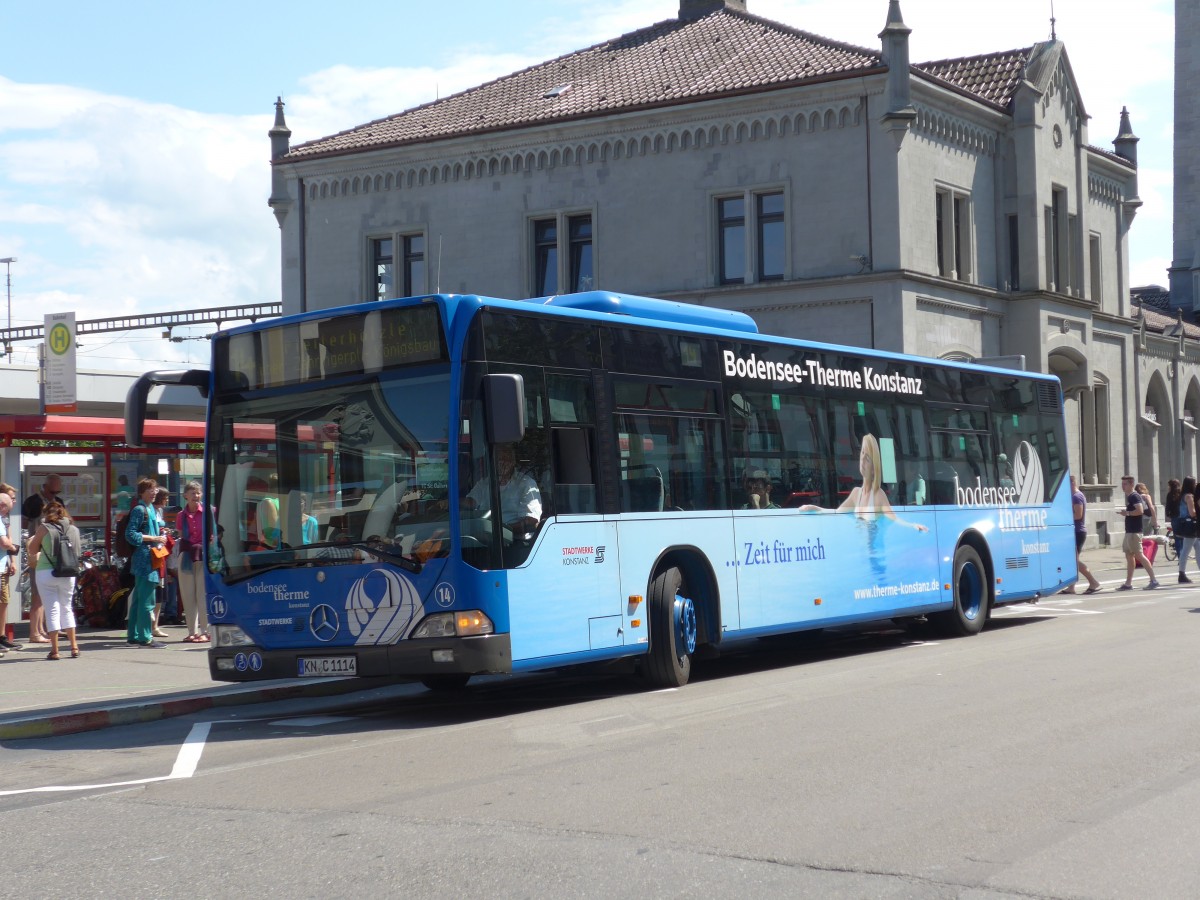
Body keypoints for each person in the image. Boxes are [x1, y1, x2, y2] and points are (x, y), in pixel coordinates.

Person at [801, 434, 927, 531]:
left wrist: (913, 526)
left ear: (873, 468)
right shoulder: (856, 493)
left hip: (875, 553)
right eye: (862, 453)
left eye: (867, 458)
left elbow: (894, 519)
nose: (862, 460)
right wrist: (815, 508)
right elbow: (837, 513)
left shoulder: (878, 495)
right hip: (862, 550)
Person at [24, 501, 81, 660]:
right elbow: (77, 552)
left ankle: (55, 650)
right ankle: (74, 647)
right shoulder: (73, 529)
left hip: (46, 572)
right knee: (67, 608)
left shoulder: (44, 528)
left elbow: (32, 549)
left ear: (46, 513)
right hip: (68, 572)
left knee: (52, 610)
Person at [125, 478, 168, 647]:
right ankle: (145, 637)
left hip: (148, 558)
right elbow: (130, 534)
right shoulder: (140, 509)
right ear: (141, 492)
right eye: (150, 489)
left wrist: (158, 535)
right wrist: (154, 538)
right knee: (146, 600)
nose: (154, 492)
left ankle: (134, 635)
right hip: (145, 559)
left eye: (155, 489)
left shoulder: (149, 509)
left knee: (139, 599)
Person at [20, 474, 63, 644]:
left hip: (52, 552)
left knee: (47, 594)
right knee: (38, 594)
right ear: (46, 486)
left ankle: (44, 628)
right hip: (38, 552)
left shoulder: (58, 501)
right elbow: (23, 524)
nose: (56, 491)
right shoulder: (33, 502)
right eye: (54, 487)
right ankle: (35, 632)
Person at [464, 445, 542, 535]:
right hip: (486, 536)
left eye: (506, 458)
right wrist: (450, 502)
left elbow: (531, 521)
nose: (502, 462)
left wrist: (502, 531)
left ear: (513, 462)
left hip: (516, 538)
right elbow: (470, 502)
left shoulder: (526, 483)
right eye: (498, 459)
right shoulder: (484, 483)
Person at [175, 480, 211, 643]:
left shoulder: (209, 512)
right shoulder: (181, 515)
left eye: (198, 493)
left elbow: (214, 534)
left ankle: (205, 631)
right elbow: (181, 534)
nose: (196, 496)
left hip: (204, 555)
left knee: (202, 594)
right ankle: (192, 631)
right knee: (188, 595)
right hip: (187, 555)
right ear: (185, 496)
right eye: (192, 493)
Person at [1116, 475, 1158, 590]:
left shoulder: (1134, 496)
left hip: (1134, 532)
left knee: (1139, 555)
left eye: (1125, 484)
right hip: (1130, 531)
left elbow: (1140, 511)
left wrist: (1127, 513)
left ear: (1131, 484)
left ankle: (1153, 580)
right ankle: (1128, 583)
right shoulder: (1131, 496)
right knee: (1129, 556)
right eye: (1122, 484)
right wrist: (1127, 513)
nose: (1123, 486)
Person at [1063, 475, 1101, 594]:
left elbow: (1078, 515)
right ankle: (1071, 587)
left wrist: (1064, 518)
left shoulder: (1076, 496)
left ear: (1072, 483)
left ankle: (1093, 582)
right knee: (1073, 560)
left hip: (1077, 531)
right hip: (1076, 531)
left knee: (1073, 560)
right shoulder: (1074, 496)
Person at [0, 483, 20, 653]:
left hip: (4, 561)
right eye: (11, 498)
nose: (14, 501)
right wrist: (11, 549)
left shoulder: (6, 517)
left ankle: (2, 636)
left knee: (4, 601)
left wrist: (12, 561)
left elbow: (10, 539)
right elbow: (6, 542)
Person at [151, 488, 173, 638]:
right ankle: (151, 625)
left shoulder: (158, 511)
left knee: (160, 591)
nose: (167, 500)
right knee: (154, 590)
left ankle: (155, 625)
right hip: (154, 554)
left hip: (160, 554)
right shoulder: (151, 511)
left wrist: (164, 531)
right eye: (165, 497)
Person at [1176, 476, 1199, 583]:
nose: (1196, 485)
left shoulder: (1183, 495)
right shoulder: (1189, 496)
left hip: (1188, 525)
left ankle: (1182, 574)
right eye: (1194, 483)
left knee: (1197, 549)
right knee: (1186, 550)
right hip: (1191, 525)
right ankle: (1181, 574)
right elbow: (1192, 513)